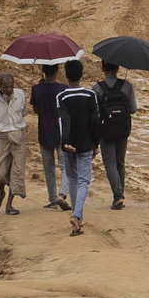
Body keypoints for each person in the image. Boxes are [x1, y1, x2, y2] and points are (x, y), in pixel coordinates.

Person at [56, 58, 100, 234]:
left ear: (66, 76)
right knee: (83, 180)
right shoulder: (91, 96)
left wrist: (65, 142)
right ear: (82, 75)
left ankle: (77, 216)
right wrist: (96, 143)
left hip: (68, 144)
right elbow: (95, 121)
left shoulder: (61, 97)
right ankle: (76, 215)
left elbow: (63, 121)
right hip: (86, 143)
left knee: (73, 179)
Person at [0, 72, 28, 215]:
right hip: (2, 136)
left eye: (11, 86)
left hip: (18, 135)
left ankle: (9, 204)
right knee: (1, 169)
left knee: (17, 170)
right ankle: (1, 192)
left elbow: (23, 113)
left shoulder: (20, 95)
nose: (9, 90)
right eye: (6, 87)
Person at [96, 60, 136, 210]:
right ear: (118, 68)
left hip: (105, 130)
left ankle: (118, 196)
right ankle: (120, 195)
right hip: (122, 130)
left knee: (110, 163)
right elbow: (133, 109)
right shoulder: (127, 86)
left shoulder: (97, 88)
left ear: (102, 68)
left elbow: (95, 113)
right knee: (120, 162)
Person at [31, 62, 68, 211]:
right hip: (60, 130)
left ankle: (52, 200)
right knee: (65, 166)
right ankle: (62, 194)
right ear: (58, 70)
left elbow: (36, 110)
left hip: (44, 129)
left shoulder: (36, 89)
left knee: (49, 168)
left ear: (42, 70)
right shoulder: (63, 89)